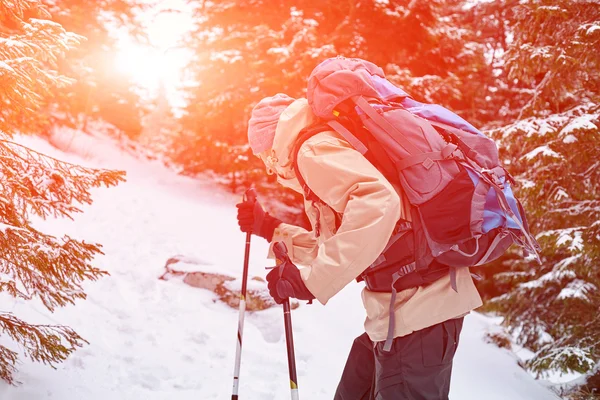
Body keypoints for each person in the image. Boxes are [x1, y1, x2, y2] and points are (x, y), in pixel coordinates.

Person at [236, 92, 483, 399]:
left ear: (271, 146)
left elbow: (379, 203)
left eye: (263, 157)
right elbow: (341, 244)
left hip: (418, 313)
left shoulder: (311, 150)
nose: (268, 168)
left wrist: (311, 283)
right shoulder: (321, 148)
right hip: (396, 316)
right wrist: (269, 228)